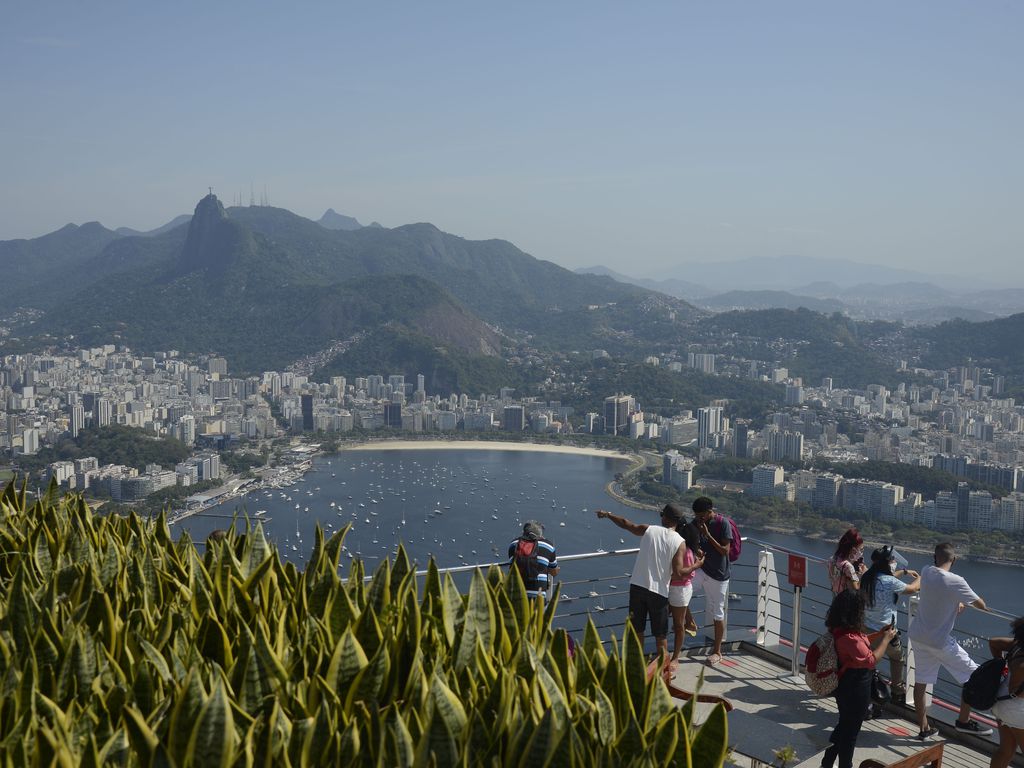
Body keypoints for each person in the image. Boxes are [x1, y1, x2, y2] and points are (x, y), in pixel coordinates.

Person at [908, 542, 993, 739]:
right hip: (939, 641)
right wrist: (960, 601)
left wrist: (956, 601)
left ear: (934, 557)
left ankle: (924, 729)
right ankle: (963, 721)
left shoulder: (926, 570)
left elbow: (937, 593)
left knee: (921, 683)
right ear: (954, 560)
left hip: (918, 636)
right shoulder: (957, 580)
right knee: (975, 676)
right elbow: (981, 604)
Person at [595, 503, 687, 659]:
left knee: (637, 630)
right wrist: (697, 565)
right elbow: (678, 574)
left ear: (664, 517)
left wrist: (608, 514)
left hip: (638, 587)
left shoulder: (649, 529)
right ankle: (661, 670)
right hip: (659, 592)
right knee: (661, 635)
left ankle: (637, 664)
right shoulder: (680, 542)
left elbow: (626, 524)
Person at [820, 589, 897, 768]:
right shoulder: (849, 637)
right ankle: (845, 765)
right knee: (851, 732)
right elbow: (869, 660)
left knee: (844, 725)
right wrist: (885, 640)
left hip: (846, 684)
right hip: (855, 686)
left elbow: (860, 643)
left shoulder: (841, 630)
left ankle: (827, 762)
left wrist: (879, 634)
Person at [860, 545, 920, 711]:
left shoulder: (867, 577)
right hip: (885, 631)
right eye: (892, 560)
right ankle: (897, 691)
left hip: (865, 628)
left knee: (868, 661)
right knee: (897, 658)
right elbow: (913, 589)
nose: (894, 562)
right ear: (886, 563)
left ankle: (867, 689)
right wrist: (922, 576)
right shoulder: (889, 582)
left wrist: (906, 572)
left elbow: (890, 577)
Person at [691, 496, 732, 666]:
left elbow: (724, 551)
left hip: (719, 575)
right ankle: (688, 621)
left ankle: (717, 651)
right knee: (681, 590)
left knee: (717, 613)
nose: (699, 518)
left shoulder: (722, 524)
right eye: (696, 515)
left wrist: (707, 535)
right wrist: (698, 549)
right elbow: (692, 542)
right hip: (703, 569)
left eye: (701, 515)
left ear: (710, 511)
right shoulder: (696, 522)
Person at [989, 617, 1024, 768]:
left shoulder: (1017, 645)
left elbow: (993, 642)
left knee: (1006, 750)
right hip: (1016, 711)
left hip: (1001, 703)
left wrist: (1000, 665)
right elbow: (1015, 691)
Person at [669, 520, 705, 663]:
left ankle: (675, 657)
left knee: (678, 625)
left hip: (679, 588)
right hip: (678, 589)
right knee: (677, 622)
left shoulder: (685, 552)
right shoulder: (688, 550)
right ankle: (690, 622)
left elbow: (681, 573)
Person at [508, 521, 559, 599]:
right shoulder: (548, 546)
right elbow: (553, 572)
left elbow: (511, 566)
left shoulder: (514, 544)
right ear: (540, 534)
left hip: (516, 593)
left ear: (523, 532)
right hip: (538, 594)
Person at [827, 528, 866, 594]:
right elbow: (856, 588)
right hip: (846, 600)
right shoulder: (848, 567)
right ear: (853, 550)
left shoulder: (832, 559)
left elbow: (831, 576)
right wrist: (863, 574)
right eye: (861, 549)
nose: (861, 552)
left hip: (836, 595)